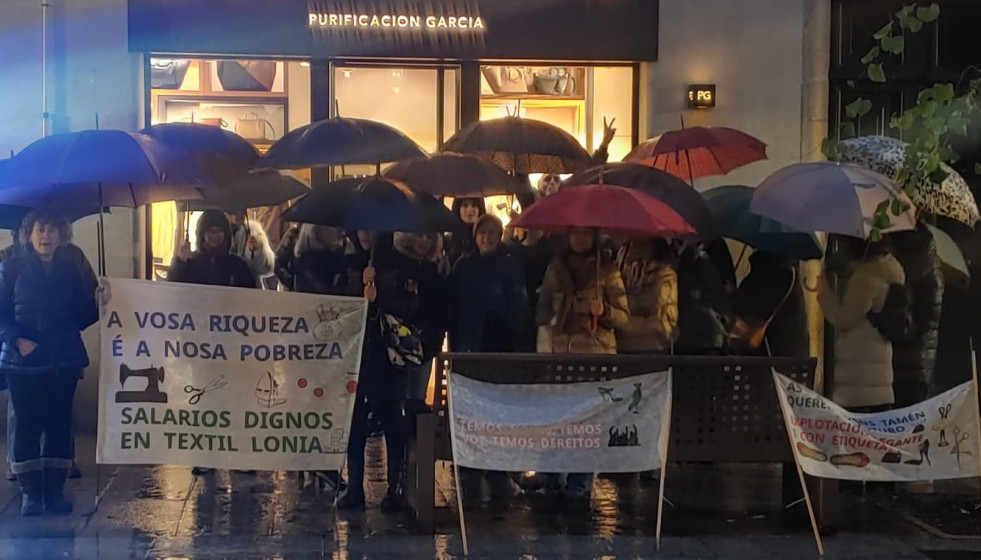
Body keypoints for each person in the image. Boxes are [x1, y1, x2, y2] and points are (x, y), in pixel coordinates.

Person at [336, 230, 444, 512]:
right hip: (356, 354)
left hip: (387, 357)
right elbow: (337, 305)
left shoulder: (401, 265)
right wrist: (357, 289)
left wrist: (378, 295)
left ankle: (396, 490)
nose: (364, 236)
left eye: (368, 230)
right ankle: (354, 487)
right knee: (355, 420)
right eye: (360, 230)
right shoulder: (349, 263)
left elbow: (410, 305)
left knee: (393, 420)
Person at [0, 209, 99, 515]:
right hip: (23, 362)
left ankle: (54, 492)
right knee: (27, 425)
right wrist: (17, 340)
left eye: (52, 230)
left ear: (62, 236)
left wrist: (99, 301)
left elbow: (84, 315)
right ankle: (31, 493)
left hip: (63, 360)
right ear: (29, 235)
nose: (46, 236)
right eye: (40, 230)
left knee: (58, 424)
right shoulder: (11, 267)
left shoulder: (71, 270)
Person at [536, 226, 629, 498]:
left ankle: (580, 480)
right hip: (561, 351)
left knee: (589, 422)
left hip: (595, 354)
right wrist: (549, 321)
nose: (579, 238)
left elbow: (624, 317)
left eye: (585, 233)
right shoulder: (555, 268)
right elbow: (542, 306)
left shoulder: (608, 270)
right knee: (558, 416)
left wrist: (605, 310)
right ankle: (551, 474)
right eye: (574, 233)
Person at [169, 210, 257, 475]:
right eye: (209, 231)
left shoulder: (238, 265)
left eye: (219, 231)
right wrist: (179, 263)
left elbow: (254, 302)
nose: (214, 236)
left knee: (236, 399)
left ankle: (239, 454)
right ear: (201, 235)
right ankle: (206, 455)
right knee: (206, 400)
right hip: (202, 346)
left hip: (233, 347)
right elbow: (174, 294)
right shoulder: (191, 263)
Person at [818, 237, 905, 412]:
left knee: (856, 433)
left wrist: (825, 293)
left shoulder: (865, 278)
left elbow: (843, 318)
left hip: (859, 376)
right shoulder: (893, 269)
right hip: (880, 367)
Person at [888, 224, 944, 407]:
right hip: (909, 366)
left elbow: (923, 320)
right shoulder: (924, 265)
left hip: (911, 367)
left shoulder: (921, 269)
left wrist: (895, 312)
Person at [730, 251, 809, 358]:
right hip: (784, 360)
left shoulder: (779, 274)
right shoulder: (776, 271)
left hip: (780, 365)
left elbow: (747, 304)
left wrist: (723, 296)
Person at [616, 237, 678, 353]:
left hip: (652, 341)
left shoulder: (664, 271)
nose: (630, 248)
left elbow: (649, 302)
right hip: (625, 339)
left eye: (635, 246)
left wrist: (616, 300)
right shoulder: (625, 265)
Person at [674, 243, 733, 355]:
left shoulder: (678, 263)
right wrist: (728, 319)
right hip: (709, 333)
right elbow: (719, 296)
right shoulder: (705, 261)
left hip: (683, 335)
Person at [225, 212, 275, 287]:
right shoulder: (216, 234)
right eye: (231, 212)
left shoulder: (254, 232)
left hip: (250, 289)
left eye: (241, 211)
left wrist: (258, 251)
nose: (237, 215)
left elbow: (268, 268)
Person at [444, 198, 486, 267]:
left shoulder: (486, 237)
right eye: (465, 205)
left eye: (474, 205)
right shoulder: (448, 239)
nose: (469, 209)